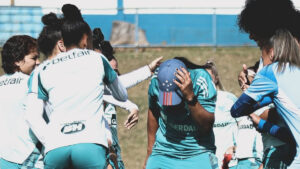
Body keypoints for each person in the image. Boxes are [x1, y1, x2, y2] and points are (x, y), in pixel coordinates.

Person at [25, 4, 127, 169]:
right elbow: (121, 95)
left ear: (63, 40)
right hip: (90, 143)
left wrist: (51, 140)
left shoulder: (41, 70)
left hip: (55, 147)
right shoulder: (98, 59)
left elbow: (32, 116)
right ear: (85, 39)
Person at [93, 27, 162, 169]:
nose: (114, 77)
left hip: (115, 158)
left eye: (116, 72)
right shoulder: (89, 91)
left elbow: (115, 89)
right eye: (110, 73)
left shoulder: (109, 97)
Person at [231, 29, 300, 169]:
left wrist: (249, 92)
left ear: (272, 52)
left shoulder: (271, 71)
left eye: (261, 51)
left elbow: (236, 110)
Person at [144, 57, 218, 169]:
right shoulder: (156, 80)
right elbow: (153, 111)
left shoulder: (201, 80)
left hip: (198, 152)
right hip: (164, 151)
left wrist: (190, 97)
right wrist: (150, 151)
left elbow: (206, 126)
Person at [0, 35, 41, 168]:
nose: (38, 62)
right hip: (26, 157)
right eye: (34, 58)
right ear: (17, 60)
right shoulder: (32, 83)